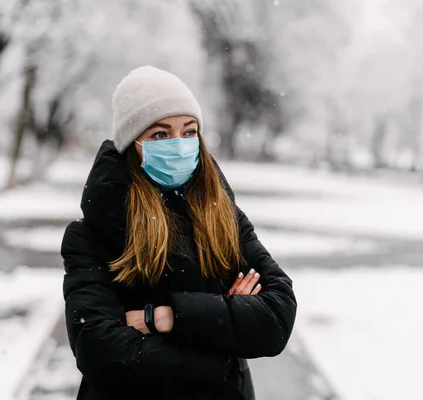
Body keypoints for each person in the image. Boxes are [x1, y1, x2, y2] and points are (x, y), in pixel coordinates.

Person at [61, 66, 297, 400]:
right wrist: (222, 343)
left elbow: (277, 315)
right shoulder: (90, 234)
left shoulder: (224, 219)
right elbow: (100, 352)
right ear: (133, 144)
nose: (179, 144)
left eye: (189, 132)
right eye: (160, 134)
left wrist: (164, 317)